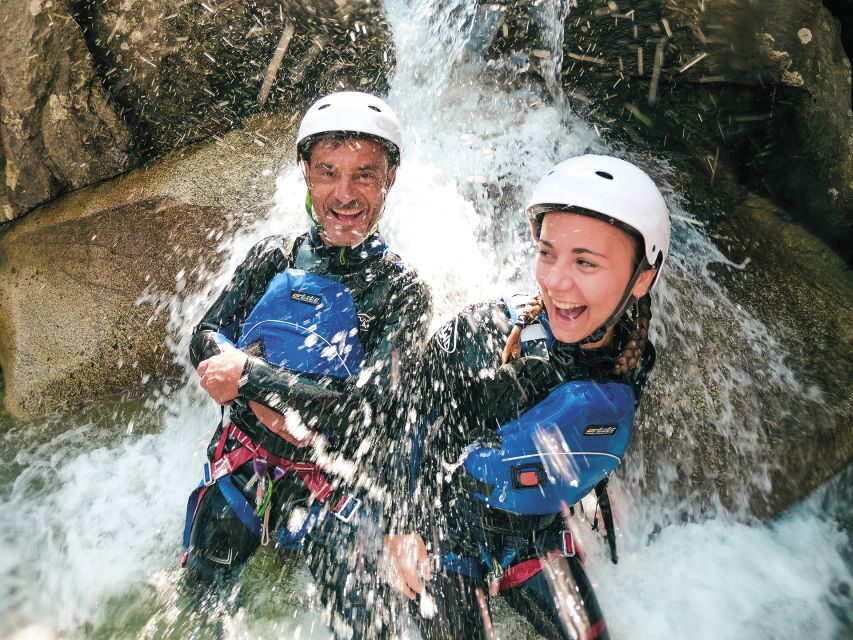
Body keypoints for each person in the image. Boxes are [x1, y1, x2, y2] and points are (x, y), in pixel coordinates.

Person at [385, 155, 671, 639]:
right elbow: (406, 418)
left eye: (585, 262)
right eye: (547, 252)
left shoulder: (634, 352)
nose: (556, 281)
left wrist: (600, 480)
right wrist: (401, 526)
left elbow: (591, 422)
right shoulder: (480, 335)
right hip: (452, 534)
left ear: (641, 279)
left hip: (537, 535)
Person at [182, 91, 432, 638]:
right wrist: (259, 401)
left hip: (334, 483)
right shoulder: (275, 255)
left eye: (364, 175)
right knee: (199, 605)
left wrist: (249, 379)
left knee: (364, 622)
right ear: (305, 175)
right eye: (328, 173)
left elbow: (370, 408)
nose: (344, 195)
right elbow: (204, 336)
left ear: (390, 178)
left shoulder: (403, 292)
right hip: (244, 462)